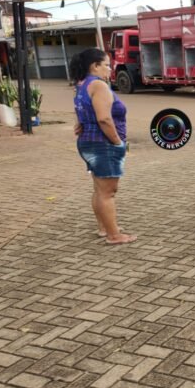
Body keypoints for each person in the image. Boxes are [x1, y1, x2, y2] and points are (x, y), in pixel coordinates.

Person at [71, 48, 136, 245]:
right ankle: (114, 235)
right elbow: (105, 119)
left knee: (99, 189)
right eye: (106, 64)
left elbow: (83, 112)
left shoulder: (82, 84)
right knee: (108, 192)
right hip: (103, 144)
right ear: (95, 66)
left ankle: (104, 228)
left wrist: (81, 123)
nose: (110, 68)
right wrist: (117, 142)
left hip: (88, 143)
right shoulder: (98, 85)